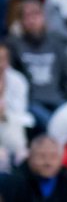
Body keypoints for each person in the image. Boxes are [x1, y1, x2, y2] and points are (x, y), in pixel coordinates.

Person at [6, 0, 67, 131]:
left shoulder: (57, 43)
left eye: (36, 14)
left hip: (57, 99)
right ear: (20, 21)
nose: (32, 20)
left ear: (44, 17)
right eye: (27, 16)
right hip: (31, 101)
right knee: (52, 123)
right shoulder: (13, 45)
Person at [0, 40, 32, 169]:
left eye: (2, 59)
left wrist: (4, 114)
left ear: (8, 60)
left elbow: (20, 110)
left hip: (11, 123)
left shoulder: (18, 80)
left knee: (21, 151)